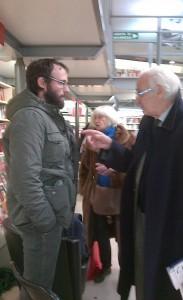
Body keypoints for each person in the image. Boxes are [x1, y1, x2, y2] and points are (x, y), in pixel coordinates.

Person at [82, 66, 183, 300]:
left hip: (177, 229)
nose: (136, 99)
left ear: (159, 91)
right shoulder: (150, 122)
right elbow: (138, 163)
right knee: (147, 280)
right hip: (144, 221)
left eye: (140, 92)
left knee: (174, 289)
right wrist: (110, 146)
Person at [2, 58, 78, 299]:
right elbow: (24, 178)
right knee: (38, 288)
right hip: (40, 221)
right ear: (42, 82)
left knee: (40, 283)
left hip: (49, 214)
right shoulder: (30, 118)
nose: (66, 89)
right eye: (62, 83)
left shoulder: (47, 115)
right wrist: (45, 221)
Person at [79, 105, 136, 283]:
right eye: (95, 117)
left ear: (111, 119)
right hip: (97, 197)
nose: (97, 121)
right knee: (101, 234)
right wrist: (84, 189)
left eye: (101, 117)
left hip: (120, 198)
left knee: (123, 237)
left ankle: (126, 271)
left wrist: (114, 170)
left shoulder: (128, 139)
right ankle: (106, 267)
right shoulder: (91, 141)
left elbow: (135, 169)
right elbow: (84, 169)